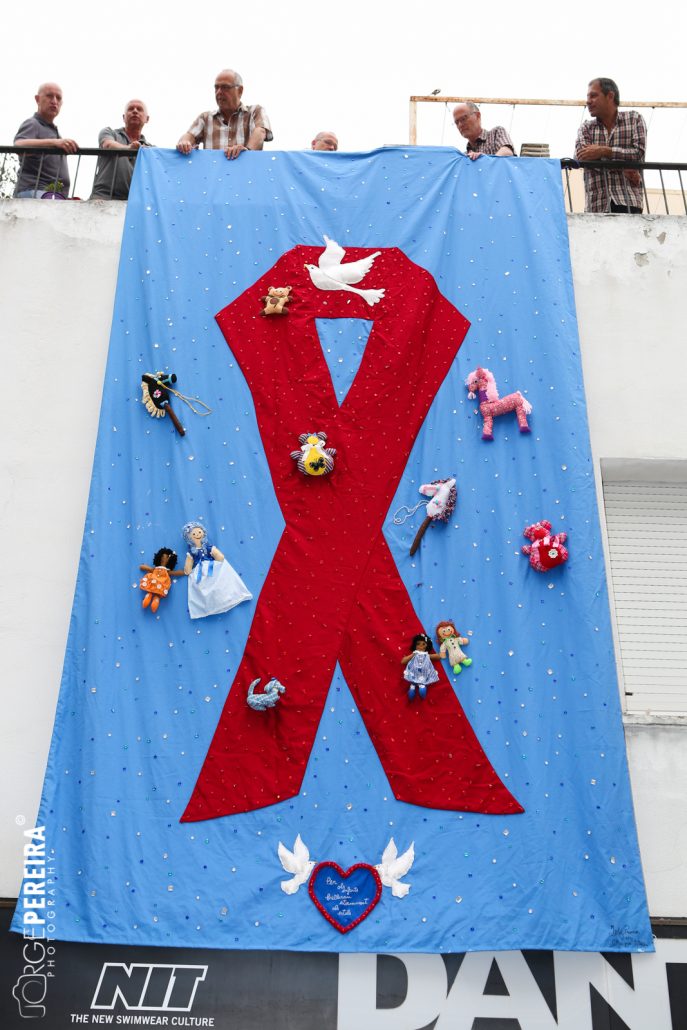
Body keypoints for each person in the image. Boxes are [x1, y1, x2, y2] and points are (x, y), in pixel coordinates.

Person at [575, 77, 646, 214]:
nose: (588, 101)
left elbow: (638, 153)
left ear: (610, 96)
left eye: (593, 95)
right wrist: (623, 166)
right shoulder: (586, 127)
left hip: (628, 201)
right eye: (588, 97)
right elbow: (582, 157)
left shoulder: (634, 119)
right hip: (596, 205)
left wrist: (603, 151)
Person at [177, 69, 272, 160]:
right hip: (213, 172)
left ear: (240, 90)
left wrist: (247, 152)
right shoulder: (205, 118)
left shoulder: (255, 111)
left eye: (225, 87)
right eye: (216, 87)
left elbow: (261, 132)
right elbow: (190, 135)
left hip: (246, 171)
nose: (219, 92)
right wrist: (185, 143)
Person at [13, 82, 78, 197]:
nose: (54, 101)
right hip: (34, 191)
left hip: (50, 195)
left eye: (58, 98)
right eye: (49, 96)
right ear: (37, 99)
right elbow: (19, 145)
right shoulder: (33, 123)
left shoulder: (53, 130)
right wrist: (55, 142)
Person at [91, 99, 152, 200]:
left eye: (139, 109)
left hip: (133, 202)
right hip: (103, 198)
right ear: (124, 117)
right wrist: (129, 148)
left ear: (147, 119)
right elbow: (108, 144)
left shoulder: (150, 148)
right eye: (131, 109)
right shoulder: (109, 132)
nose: (135, 111)